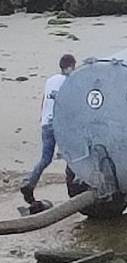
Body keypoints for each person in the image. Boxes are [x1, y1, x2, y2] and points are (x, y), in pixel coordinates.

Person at [20, 54, 76, 206]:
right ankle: (73, 191)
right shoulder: (70, 81)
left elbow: (44, 100)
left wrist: (43, 119)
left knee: (45, 158)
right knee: (72, 156)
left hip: (46, 123)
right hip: (60, 124)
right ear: (71, 66)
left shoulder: (50, 80)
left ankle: (29, 184)